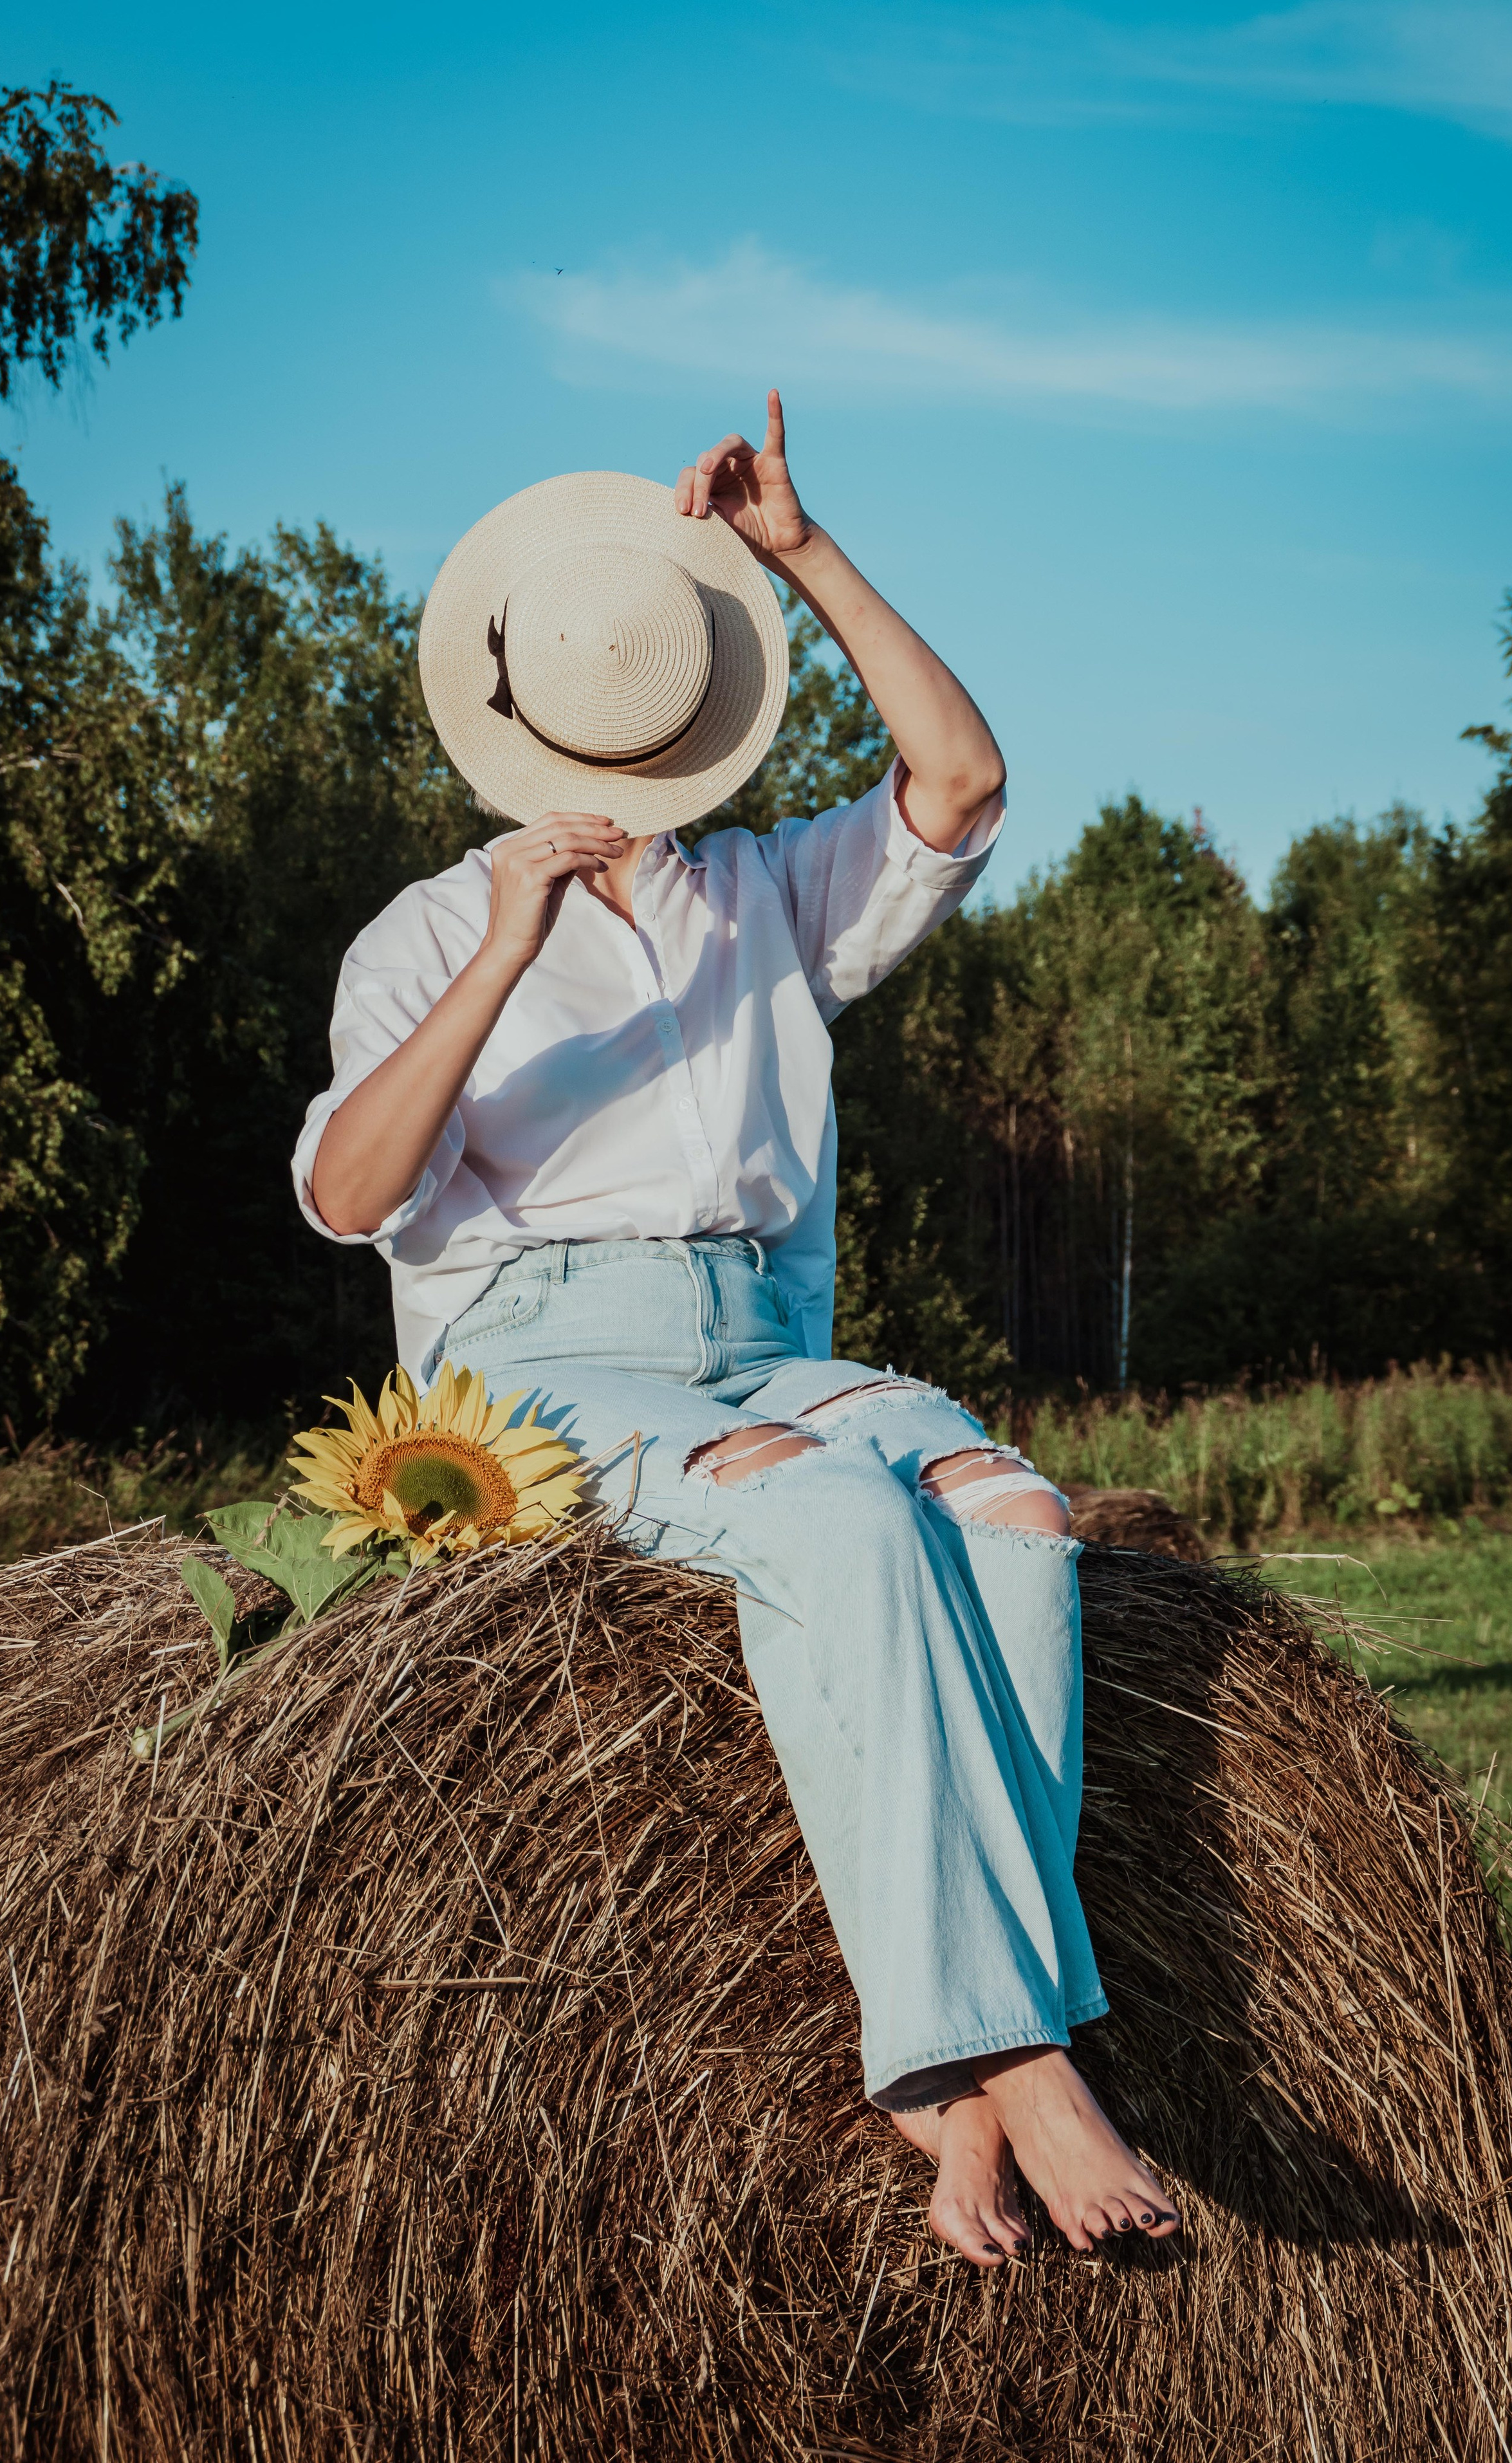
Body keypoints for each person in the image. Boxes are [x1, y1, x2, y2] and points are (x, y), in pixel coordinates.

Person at [293, 395, 1179, 2268]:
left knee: (1013, 1515)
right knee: (842, 1524)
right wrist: (505, 952)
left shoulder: (764, 892)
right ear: (515, 717)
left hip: (764, 1335)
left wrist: (802, 557)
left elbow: (964, 784)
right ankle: (1004, 2059)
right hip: (531, 1356)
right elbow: (354, 1194)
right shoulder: (422, 929)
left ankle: (970, 2078)